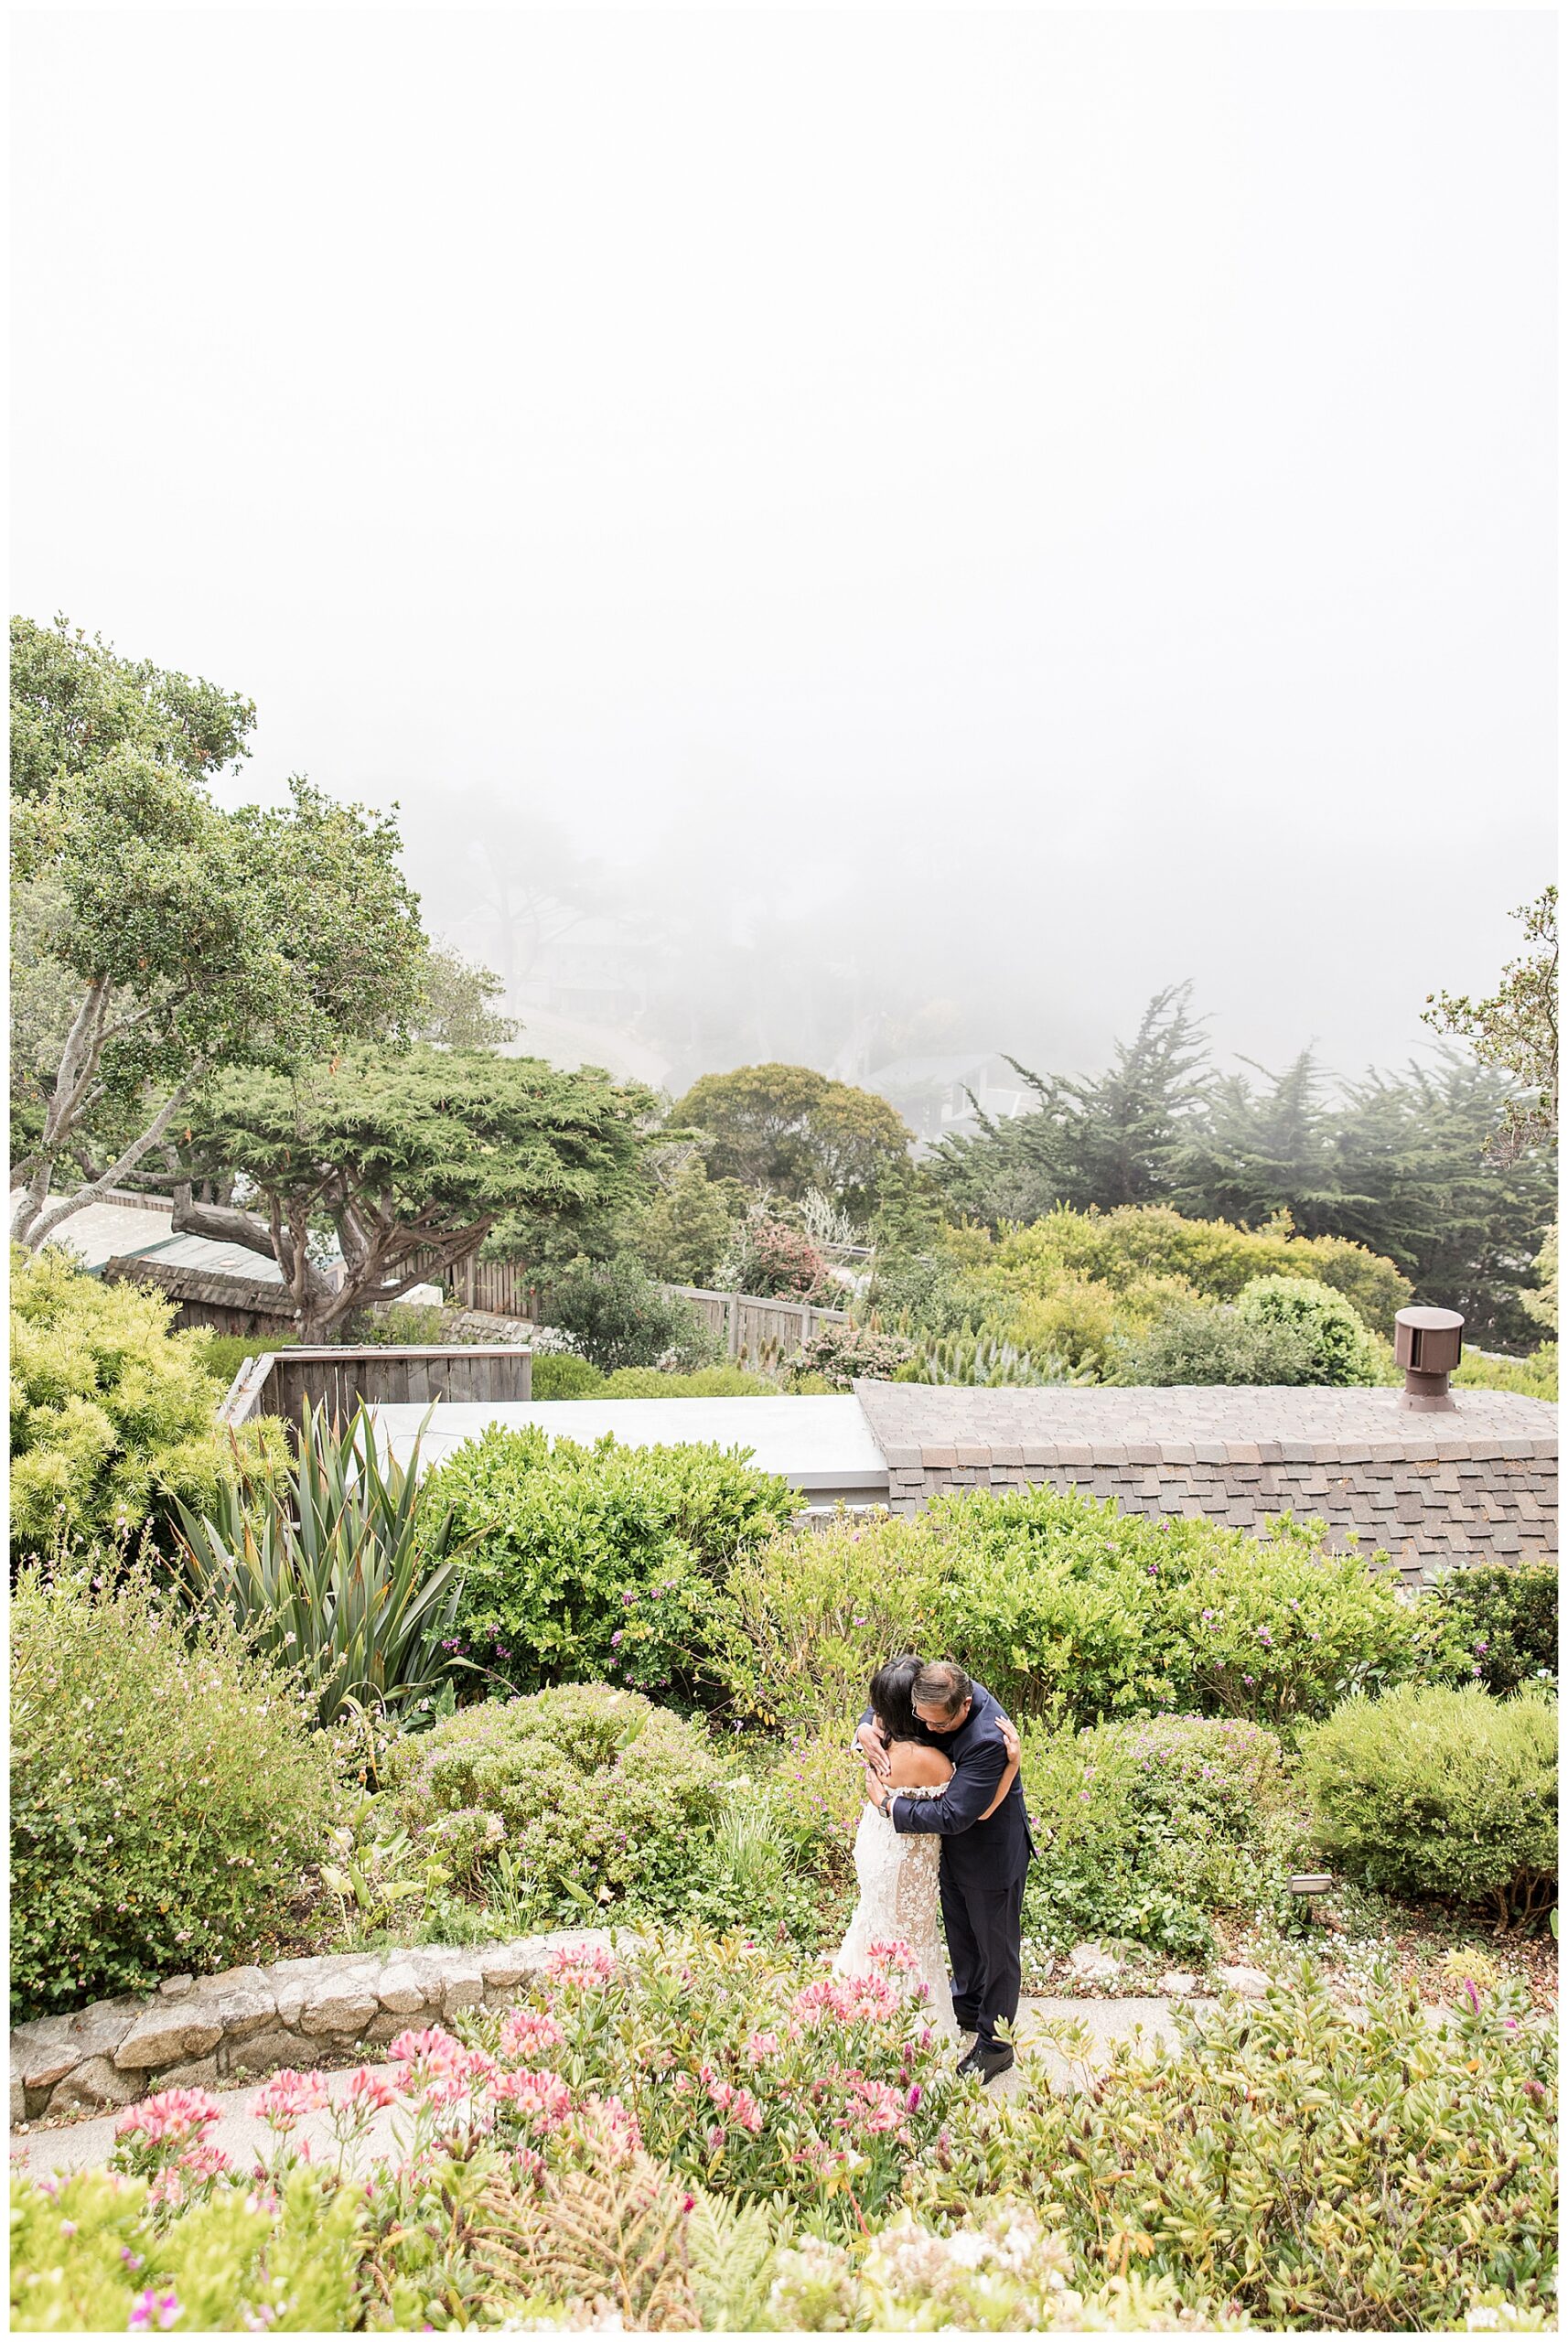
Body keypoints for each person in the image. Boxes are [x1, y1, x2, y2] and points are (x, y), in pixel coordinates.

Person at [854, 1659, 1033, 2080]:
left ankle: (995, 2044)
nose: (928, 1730)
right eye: (920, 1719)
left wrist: (888, 1804)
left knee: (997, 1949)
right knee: (961, 1934)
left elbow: (954, 1814)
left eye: (938, 1725)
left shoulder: (989, 1738)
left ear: (964, 1705)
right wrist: (865, 1725)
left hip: (989, 1851)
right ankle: (969, 2006)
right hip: (943, 1852)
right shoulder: (932, 1690)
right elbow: (890, 1696)